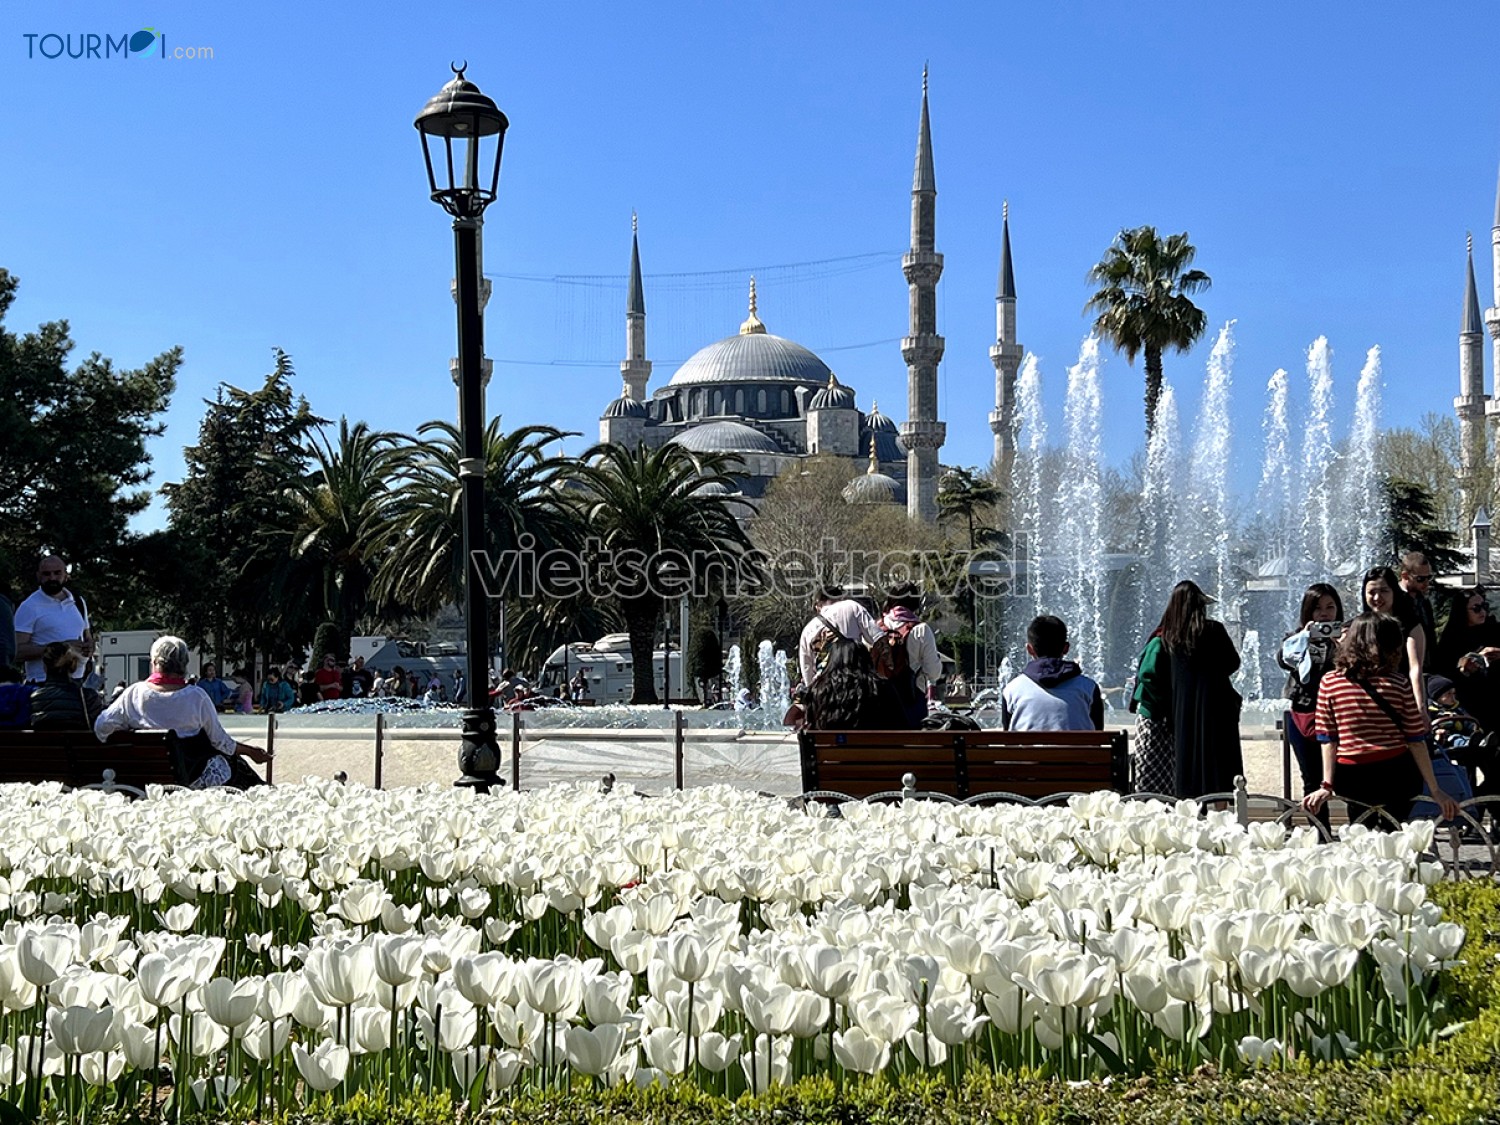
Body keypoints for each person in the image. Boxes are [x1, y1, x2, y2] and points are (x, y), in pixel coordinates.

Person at [1304, 612, 1460, 828]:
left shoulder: (1330, 683)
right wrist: (1435, 790)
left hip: (1352, 777)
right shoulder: (1398, 683)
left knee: (1360, 831)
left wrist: (1327, 785)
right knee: (1394, 832)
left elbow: (1328, 739)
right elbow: (1415, 739)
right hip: (1395, 774)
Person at [94, 635, 272, 789]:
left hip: (145, 777)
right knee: (236, 767)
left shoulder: (133, 694)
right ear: (184, 664)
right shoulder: (196, 696)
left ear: (154, 662)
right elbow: (220, 742)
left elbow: (101, 727)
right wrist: (251, 752)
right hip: (190, 776)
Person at [1157, 580, 1243, 798]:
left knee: (1188, 759)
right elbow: (1233, 662)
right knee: (1218, 761)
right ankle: (1221, 809)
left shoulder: (1168, 637)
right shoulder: (1214, 629)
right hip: (1216, 704)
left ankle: (1191, 809)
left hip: (1182, 707)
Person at [1277, 583, 1345, 827]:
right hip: (1303, 714)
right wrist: (1304, 638)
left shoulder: (1346, 637)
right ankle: (1320, 834)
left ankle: (1360, 832)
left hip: (1338, 716)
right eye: (1317, 609)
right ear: (1308, 612)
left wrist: (1343, 645)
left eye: (1330, 607)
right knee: (1311, 778)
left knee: (1346, 777)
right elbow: (1284, 661)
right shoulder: (1296, 639)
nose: (1324, 614)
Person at [1001, 614, 1105, 732]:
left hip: (1028, 751)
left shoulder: (1012, 689)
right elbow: (1098, 731)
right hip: (1078, 751)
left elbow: (1007, 734)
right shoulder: (1088, 687)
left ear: (1029, 649)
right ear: (1066, 648)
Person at [872, 582, 944, 726]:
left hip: (879, 700)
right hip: (911, 700)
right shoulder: (921, 630)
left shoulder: (875, 627)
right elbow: (934, 673)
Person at [14, 555, 92, 684]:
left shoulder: (78, 602)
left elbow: (86, 635)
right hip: (42, 682)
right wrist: (60, 648)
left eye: (57, 573)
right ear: (38, 576)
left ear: (66, 575)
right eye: (46, 574)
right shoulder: (29, 606)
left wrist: (89, 646)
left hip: (77, 681)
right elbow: (17, 652)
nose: (52, 578)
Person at [1361, 566, 1428, 715]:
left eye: (1384, 591)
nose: (1377, 598)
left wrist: (1420, 707)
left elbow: (1415, 668)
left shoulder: (1409, 624)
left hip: (1402, 696)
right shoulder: (1359, 626)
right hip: (1369, 700)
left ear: (1394, 592)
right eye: (1372, 592)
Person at [803, 637, 910, 731]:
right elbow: (902, 725)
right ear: (865, 659)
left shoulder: (818, 689)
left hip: (829, 753)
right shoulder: (881, 686)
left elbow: (811, 726)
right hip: (876, 752)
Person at [797, 586, 883, 689]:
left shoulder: (807, 630)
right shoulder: (852, 606)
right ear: (841, 597)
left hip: (825, 689)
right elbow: (878, 638)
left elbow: (807, 669)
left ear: (817, 605)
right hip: (856, 681)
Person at [1128, 627, 1173, 794]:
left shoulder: (1166, 642)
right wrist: (1167, 703)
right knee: (1149, 766)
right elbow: (1147, 675)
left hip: (1163, 715)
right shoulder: (1159, 643)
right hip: (1153, 715)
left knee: (1165, 768)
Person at [28, 643, 104, 731]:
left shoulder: (34, 698)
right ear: (74, 666)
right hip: (78, 744)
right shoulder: (88, 697)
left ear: (45, 667)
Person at [1398, 551, 1438, 668]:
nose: (1426, 583)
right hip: (1403, 668)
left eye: (1429, 577)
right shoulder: (1395, 600)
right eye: (1420, 579)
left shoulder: (1424, 601)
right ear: (1405, 576)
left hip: (1426, 666)